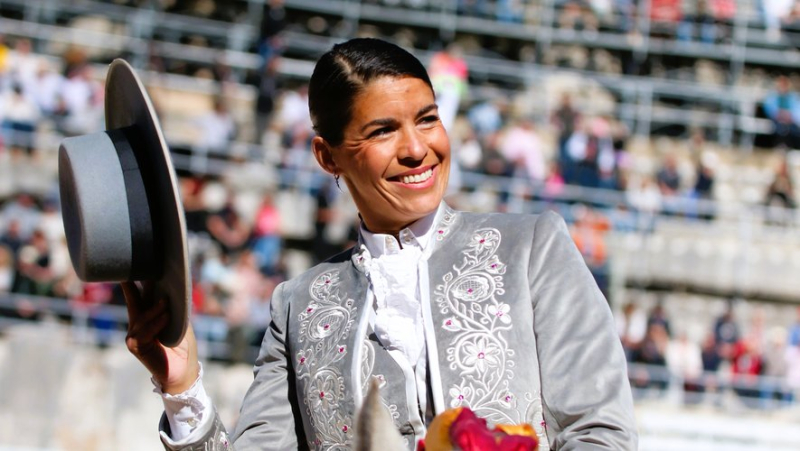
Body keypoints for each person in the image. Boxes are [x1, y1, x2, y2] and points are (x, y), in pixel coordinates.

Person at [123, 38, 637, 450]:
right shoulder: (298, 306)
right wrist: (183, 390)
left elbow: (601, 431)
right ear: (328, 156)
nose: (418, 149)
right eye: (383, 130)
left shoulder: (530, 249)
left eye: (428, 118)